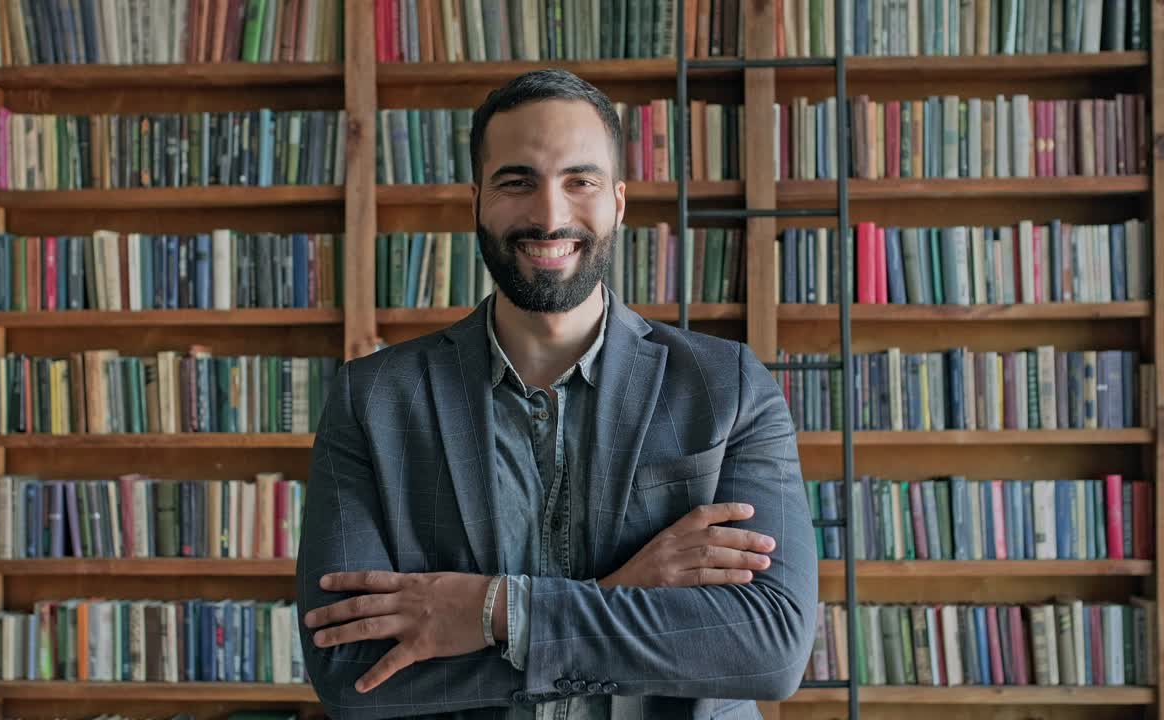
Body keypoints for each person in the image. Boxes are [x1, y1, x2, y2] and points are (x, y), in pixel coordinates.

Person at [296, 68, 817, 720]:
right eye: (517, 182)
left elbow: (767, 649)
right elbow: (350, 674)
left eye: (581, 181)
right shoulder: (371, 400)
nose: (549, 214)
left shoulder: (726, 386)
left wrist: (494, 611)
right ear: (477, 201)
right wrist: (619, 593)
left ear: (619, 202)